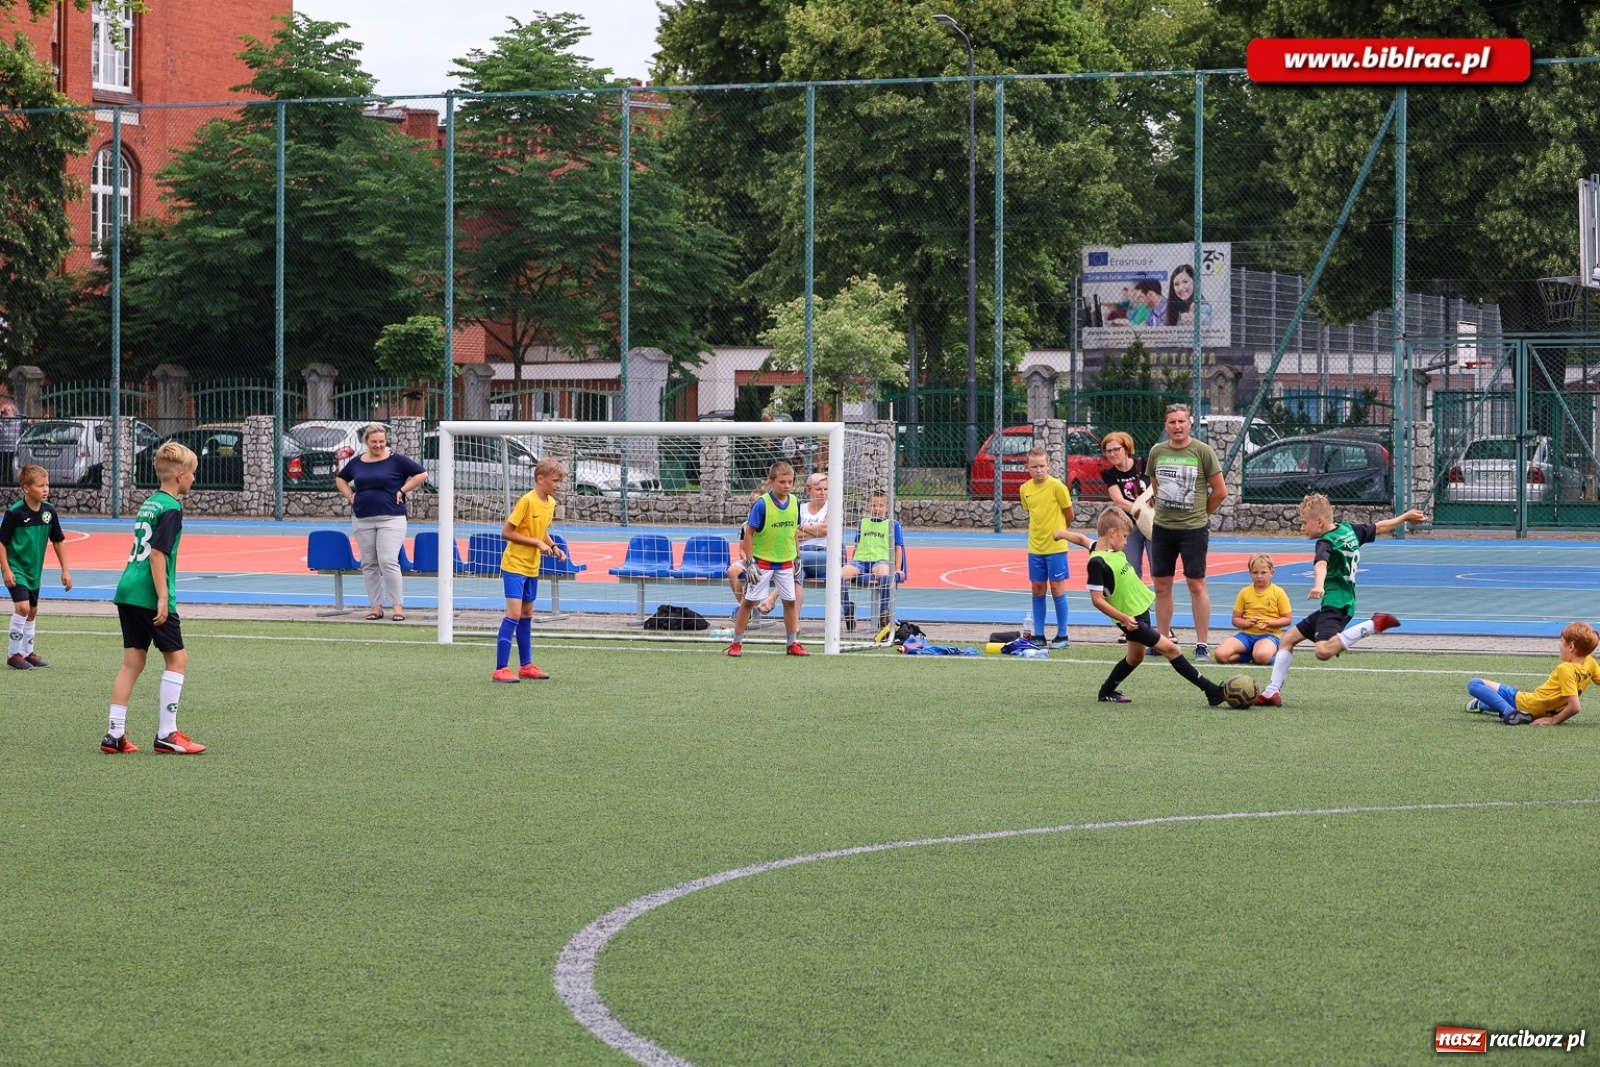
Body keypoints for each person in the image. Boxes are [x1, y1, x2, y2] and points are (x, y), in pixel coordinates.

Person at [1254, 493, 1428, 707]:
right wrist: (1404, 517)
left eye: (1304, 523)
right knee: (1287, 639)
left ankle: (1374, 624)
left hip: (1335, 604)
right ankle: (1272, 692)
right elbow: (1379, 527)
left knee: (1322, 651)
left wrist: (1318, 585)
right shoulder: (1349, 530)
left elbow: (1321, 565)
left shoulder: (1325, 542)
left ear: (1319, 521)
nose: (1302, 528)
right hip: (1340, 603)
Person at [101, 441, 204, 755]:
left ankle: (114, 734)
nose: (194, 480)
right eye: (193, 475)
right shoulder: (172, 508)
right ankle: (167, 734)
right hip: (148, 592)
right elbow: (158, 554)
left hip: (127, 589)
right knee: (178, 659)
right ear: (180, 476)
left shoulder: (150, 503)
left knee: (133, 661)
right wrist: (162, 597)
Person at [1084, 507, 1226, 706]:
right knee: (1172, 649)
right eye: (1125, 537)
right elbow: (1096, 599)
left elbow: (1083, 540)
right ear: (1112, 533)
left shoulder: (1108, 549)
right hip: (1130, 620)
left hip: (1141, 610)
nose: (1126, 542)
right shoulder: (1097, 562)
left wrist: (1061, 534)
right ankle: (1212, 691)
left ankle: (1106, 691)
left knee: (1135, 658)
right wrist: (1124, 619)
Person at [1147, 403, 1226, 659]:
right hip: (1162, 529)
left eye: (1181, 421)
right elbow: (1155, 486)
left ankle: (1202, 643)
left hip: (1193, 530)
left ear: (1190, 423)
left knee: (1196, 584)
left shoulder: (1203, 451)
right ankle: (1162, 641)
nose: (1177, 426)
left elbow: (1220, 491)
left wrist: (1202, 515)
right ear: (1166, 425)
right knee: (1161, 585)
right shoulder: (1157, 452)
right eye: (1172, 422)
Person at [335, 424, 428, 622]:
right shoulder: (357, 462)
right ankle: (376, 607)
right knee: (369, 563)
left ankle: (397, 607)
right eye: (374, 441)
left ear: (386, 441)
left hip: (391, 518)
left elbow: (422, 474)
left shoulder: (397, 460)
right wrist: (350, 496)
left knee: (387, 560)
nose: (378, 445)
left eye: (381, 441)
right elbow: (341, 479)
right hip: (362, 518)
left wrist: (403, 490)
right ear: (366, 442)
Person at [493, 458, 567, 683]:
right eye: (555, 481)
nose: (558, 485)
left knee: (526, 615)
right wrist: (536, 544)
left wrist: (553, 546)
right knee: (514, 614)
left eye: (560, 481)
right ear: (540, 479)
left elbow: (541, 531)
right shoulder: (527, 501)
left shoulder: (551, 503)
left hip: (532, 566)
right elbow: (507, 532)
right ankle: (500, 669)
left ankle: (526, 666)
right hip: (515, 565)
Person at [728, 460, 806, 657]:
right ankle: (736, 643)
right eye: (782, 482)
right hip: (762, 562)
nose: (787, 486)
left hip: (786, 562)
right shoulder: (762, 504)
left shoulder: (796, 503)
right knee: (748, 602)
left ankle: (792, 643)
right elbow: (749, 533)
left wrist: (797, 557)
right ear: (771, 483)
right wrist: (751, 562)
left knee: (790, 601)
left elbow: (794, 532)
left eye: (790, 482)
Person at [1, 465, 73, 670]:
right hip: (16, 567)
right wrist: (6, 569)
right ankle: (14, 654)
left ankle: (27, 652)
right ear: (26, 488)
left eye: (47, 485)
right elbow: (1, 543)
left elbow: (58, 541)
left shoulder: (49, 511)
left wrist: (65, 570)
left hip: (34, 570)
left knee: (32, 611)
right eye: (40, 485)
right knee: (22, 607)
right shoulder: (15, 513)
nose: (45, 489)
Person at [1467, 622, 1599, 726]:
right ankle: (1480, 705)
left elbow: (1575, 707)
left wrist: (1554, 720)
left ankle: (1510, 712)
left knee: (1474, 683)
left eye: (1562, 641)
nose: (1559, 645)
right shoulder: (1590, 663)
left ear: (1571, 647)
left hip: (1527, 704)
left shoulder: (1565, 669)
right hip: (1539, 710)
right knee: (1475, 704)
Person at [1018, 445, 1074, 649]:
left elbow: (1069, 514)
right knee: (1037, 589)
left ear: (1049, 465)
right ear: (1027, 468)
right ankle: (1039, 634)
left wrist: (1059, 532)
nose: (1038, 470)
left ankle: (1063, 635)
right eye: (1034, 466)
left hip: (1056, 548)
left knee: (1058, 588)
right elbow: (1030, 511)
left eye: (1042, 465)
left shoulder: (1058, 487)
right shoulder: (1025, 489)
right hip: (1035, 547)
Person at [840, 488, 906, 633]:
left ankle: (884, 611)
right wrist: (852, 563)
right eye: (873, 505)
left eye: (880, 505)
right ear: (868, 506)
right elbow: (857, 545)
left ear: (887, 507)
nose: (877, 509)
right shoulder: (863, 523)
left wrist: (897, 569)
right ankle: (847, 608)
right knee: (839, 575)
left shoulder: (892, 524)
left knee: (884, 574)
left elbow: (898, 548)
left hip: (880, 560)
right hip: (861, 561)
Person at [1214, 553, 1292, 666]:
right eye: (1255, 573)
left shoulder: (1278, 592)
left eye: (1263, 572)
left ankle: (1275, 657)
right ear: (1250, 573)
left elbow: (1287, 619)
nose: (1259, 576)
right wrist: (1246, 623)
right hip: (1246, 635)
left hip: (1269, 634)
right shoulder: (1244, 592)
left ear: (1272, 573)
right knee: (1220, 655)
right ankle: (1249, 655)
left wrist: (1270, 623)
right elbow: (1235, 619)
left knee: (1261, 657)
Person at [794, 471, 851, 623]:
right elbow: (793, 534)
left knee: (793, 562)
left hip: (825, 558)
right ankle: (795, 623)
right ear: (808, 490)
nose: (823, 493)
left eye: (826, 489)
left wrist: (803, 527)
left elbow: (828, 530)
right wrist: (817, 530)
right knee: (795, 577)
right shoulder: (799, 508)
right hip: (802, 556)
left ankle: (772, 597)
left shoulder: (833, 507)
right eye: (819, 489)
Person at [1100, 431, 1153, 580]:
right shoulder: (1110, 475)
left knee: (1159, 572)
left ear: (1126, 448)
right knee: (1131, 572)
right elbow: (1119, 501)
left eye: (1116, 449)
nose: (1112, 454)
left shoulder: (1144, 464)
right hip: (1130, 526)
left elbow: (1158, 486)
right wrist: (1142, 513)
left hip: (1153, 524)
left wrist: (1152, 512)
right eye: (1108, 451)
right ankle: (1139, 604)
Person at [0, 398, 20, 484]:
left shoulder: (18, 421)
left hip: (14, 450)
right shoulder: (1, 422)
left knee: (12, 468)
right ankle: (4, 483)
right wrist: (1, 412)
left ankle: (11, 483)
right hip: (2, 450)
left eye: (9, 410)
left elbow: (31, 421)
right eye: (5, 411)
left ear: (13, 411)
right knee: (3, 468)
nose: (7, 412)